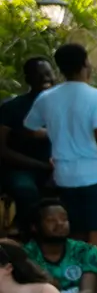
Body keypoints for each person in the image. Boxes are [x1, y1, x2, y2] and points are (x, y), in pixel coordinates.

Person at [23, 43, 97, 249]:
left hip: (65, 177)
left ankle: (75, 278)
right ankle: (93, 278)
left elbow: (30, 129)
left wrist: (55, 133)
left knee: (75, 230)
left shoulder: (46, 98)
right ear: (85, 63)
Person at [23, 199, 97, 293]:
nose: (60, 223)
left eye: (64, 219)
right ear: (34, 227)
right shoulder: (25, 254)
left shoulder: (85, 251)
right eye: (51, 220)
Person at [0, 55, 56, 223]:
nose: (45, 78)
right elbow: (2, 150)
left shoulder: (63, 104)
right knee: (25, 190)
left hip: (61, 167)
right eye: (38, 74)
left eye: (48, 73)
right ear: (28, 79)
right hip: (23, 169)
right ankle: (30, 235)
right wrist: (42, 166)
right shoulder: (12, 107)